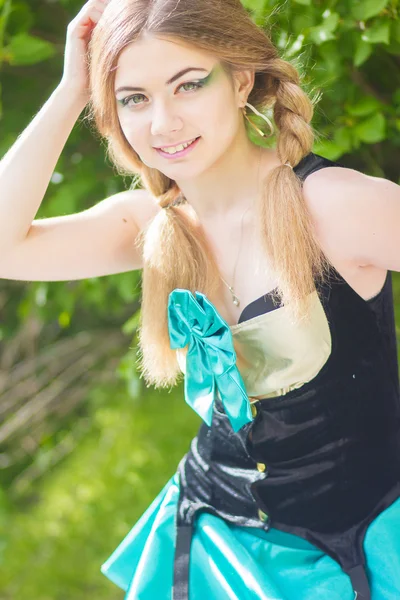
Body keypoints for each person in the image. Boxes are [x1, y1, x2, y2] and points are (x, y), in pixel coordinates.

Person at [1, 0, 400, 598]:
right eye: (134, 98)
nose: (162, 123)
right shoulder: (150, 225)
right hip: (216, 544)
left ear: (241, 81)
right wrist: (69, 93)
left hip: (358, 538)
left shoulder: (335, 207)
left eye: (187, 85)